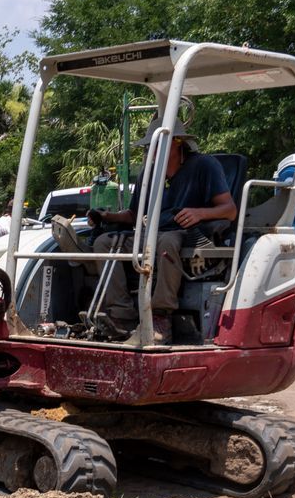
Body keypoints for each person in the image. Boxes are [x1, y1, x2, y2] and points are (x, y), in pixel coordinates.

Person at [85, 119, 236, 338]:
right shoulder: (150, 172)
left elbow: (230, 210)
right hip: (151, 234)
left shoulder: (205, 165)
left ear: (176, 142)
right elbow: (134, 215)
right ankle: (121, 315)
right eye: (149, 146)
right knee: (104, 242)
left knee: (167, 241)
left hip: (188, 234)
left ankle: (160, 316)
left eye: (156, 144)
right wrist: (104, 215)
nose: (151, 151)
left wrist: (200, 213)